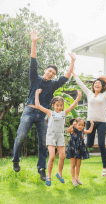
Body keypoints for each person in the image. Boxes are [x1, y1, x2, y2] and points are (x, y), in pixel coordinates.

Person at [12, 30, 76, 182]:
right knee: (21, 136)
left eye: (53, 73)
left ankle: (41, 168)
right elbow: (33, 60)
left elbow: (66, 77)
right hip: (29, 111)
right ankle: (16, 159)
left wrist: (72, 62)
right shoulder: (35, 78)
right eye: (49, 71)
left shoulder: (53, 85)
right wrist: (33, 42)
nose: (51, 74)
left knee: (43, 142)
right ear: (45, 71)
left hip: (43, 116)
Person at [72, 66, 106, 177]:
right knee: (89, 144)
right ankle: (77, 156)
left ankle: (105, 167)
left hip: (101, 122)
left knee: (101, 144)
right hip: (90, 122)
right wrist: (73, 72)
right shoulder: (89, 93)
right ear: (93, 86)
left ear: (102, 87)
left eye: (99, 83)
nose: (97, 84)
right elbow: (80, 83)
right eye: (95, 83)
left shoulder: (105, 94)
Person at [35, 89, 82, 186]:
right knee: (52, 157)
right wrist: (37, 94)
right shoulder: (50, 112)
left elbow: (73, 105)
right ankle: (49, 175)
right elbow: (38, 106)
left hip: (60, 136)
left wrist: (78, 96)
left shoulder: (63, 113)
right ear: (53, 105)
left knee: (62, 156)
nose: (59, 107)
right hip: (51, 136)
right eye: (57, 105)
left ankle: (59, 173)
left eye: (61, 105)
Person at [66, 118, 94, 186]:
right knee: (73, 164)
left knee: (78, 164)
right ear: (76, 124)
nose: (81, 126)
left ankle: (77, 178)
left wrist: (92, 125)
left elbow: (90, 131)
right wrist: (72, 125)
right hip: (73, 148)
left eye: (82, 125)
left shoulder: (82, 131)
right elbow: (67, 131)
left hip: (80, 149)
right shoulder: (73, 130)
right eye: (79, 124)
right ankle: (73, 179)